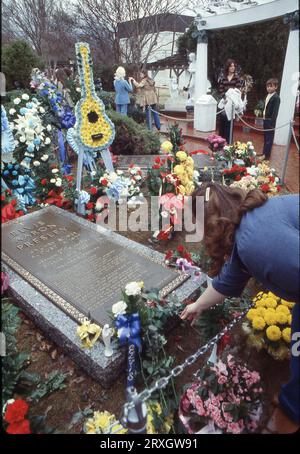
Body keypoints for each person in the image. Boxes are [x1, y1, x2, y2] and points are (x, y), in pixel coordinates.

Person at [180, 183, 299, 432]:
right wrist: (197, 306)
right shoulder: (249, 227)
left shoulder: (254, 242)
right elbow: (226, 282)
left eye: (197, 223)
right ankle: (292, 403)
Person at [218, 59, 242, 144]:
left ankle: (229, 144)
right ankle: (220, 144)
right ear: (227, 67)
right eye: (231, 66)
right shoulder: (223, 78)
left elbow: (237, 91)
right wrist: (225, 98)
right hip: (224, 103)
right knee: (222, 126)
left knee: (229, 126)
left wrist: (230, 98)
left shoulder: (237, 78)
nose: (233, 67)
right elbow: (221, 90)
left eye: (233, 66)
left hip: (232, 104)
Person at [261, 78, 281, 160]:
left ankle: (266, 156)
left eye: (271, 86)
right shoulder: (268, 95)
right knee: (265, 138)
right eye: (268, 86)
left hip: (270, 121)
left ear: (276, 87)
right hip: (265, 119)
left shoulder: (276, 98)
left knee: (269, 139)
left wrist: (272, 123)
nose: (269, 88)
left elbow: (275, 112)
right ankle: (264, 153)